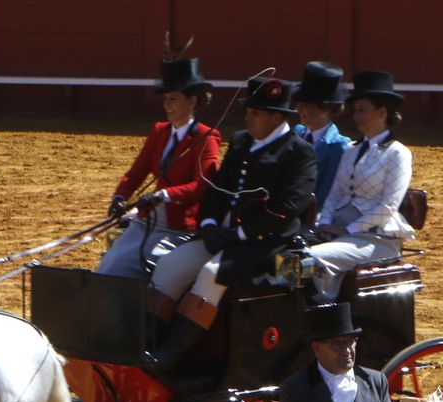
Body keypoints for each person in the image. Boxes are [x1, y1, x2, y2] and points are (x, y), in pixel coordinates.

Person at [143, 75, 317, 379]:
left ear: (276, 117)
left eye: (255, 113)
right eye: (248, 111)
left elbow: (286, 210)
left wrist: (237, 234)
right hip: (223, 237)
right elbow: (215, 188)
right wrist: (209, 224)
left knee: (212, 274)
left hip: (266, 245)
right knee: (169, 266)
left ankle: (169, 358)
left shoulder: (299, 153)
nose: (247, 117)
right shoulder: (240, 142)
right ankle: (145, 346)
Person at [95, 56, 222, 281]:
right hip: (147, 219)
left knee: (129, 265)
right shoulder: (160, 131)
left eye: (173, 99)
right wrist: (119, 196)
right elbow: (135, 174)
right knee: (111, 261)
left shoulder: (206, 137)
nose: (166, 105)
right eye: (165, 99)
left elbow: (202, 185)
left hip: (179, 226)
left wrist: (164, 195)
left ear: (192, 101)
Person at [306, 70, 415, 302]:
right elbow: (335, 195)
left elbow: (388, 206)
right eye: (355, 110)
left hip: (377, 240)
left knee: (310, 259)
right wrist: (325, 224)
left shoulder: (398, 153)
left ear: (382, 112)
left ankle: (325, 313)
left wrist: (349, 229)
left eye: (362, 110)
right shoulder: (351, 150)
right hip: (340, 232)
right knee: (289, 253)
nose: (355, 116)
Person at [276, 302, 392, 402]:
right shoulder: (296, 390)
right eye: (337, 344)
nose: (347, 350)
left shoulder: (376, 382)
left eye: (351, 341)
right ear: (317, 348)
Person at [293, 61, 352, 202]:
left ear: (325, 108)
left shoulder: (339, 147)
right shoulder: (296, 132)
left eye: (305, 105)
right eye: (298, 103)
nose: (298, 109)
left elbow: (326, 195)